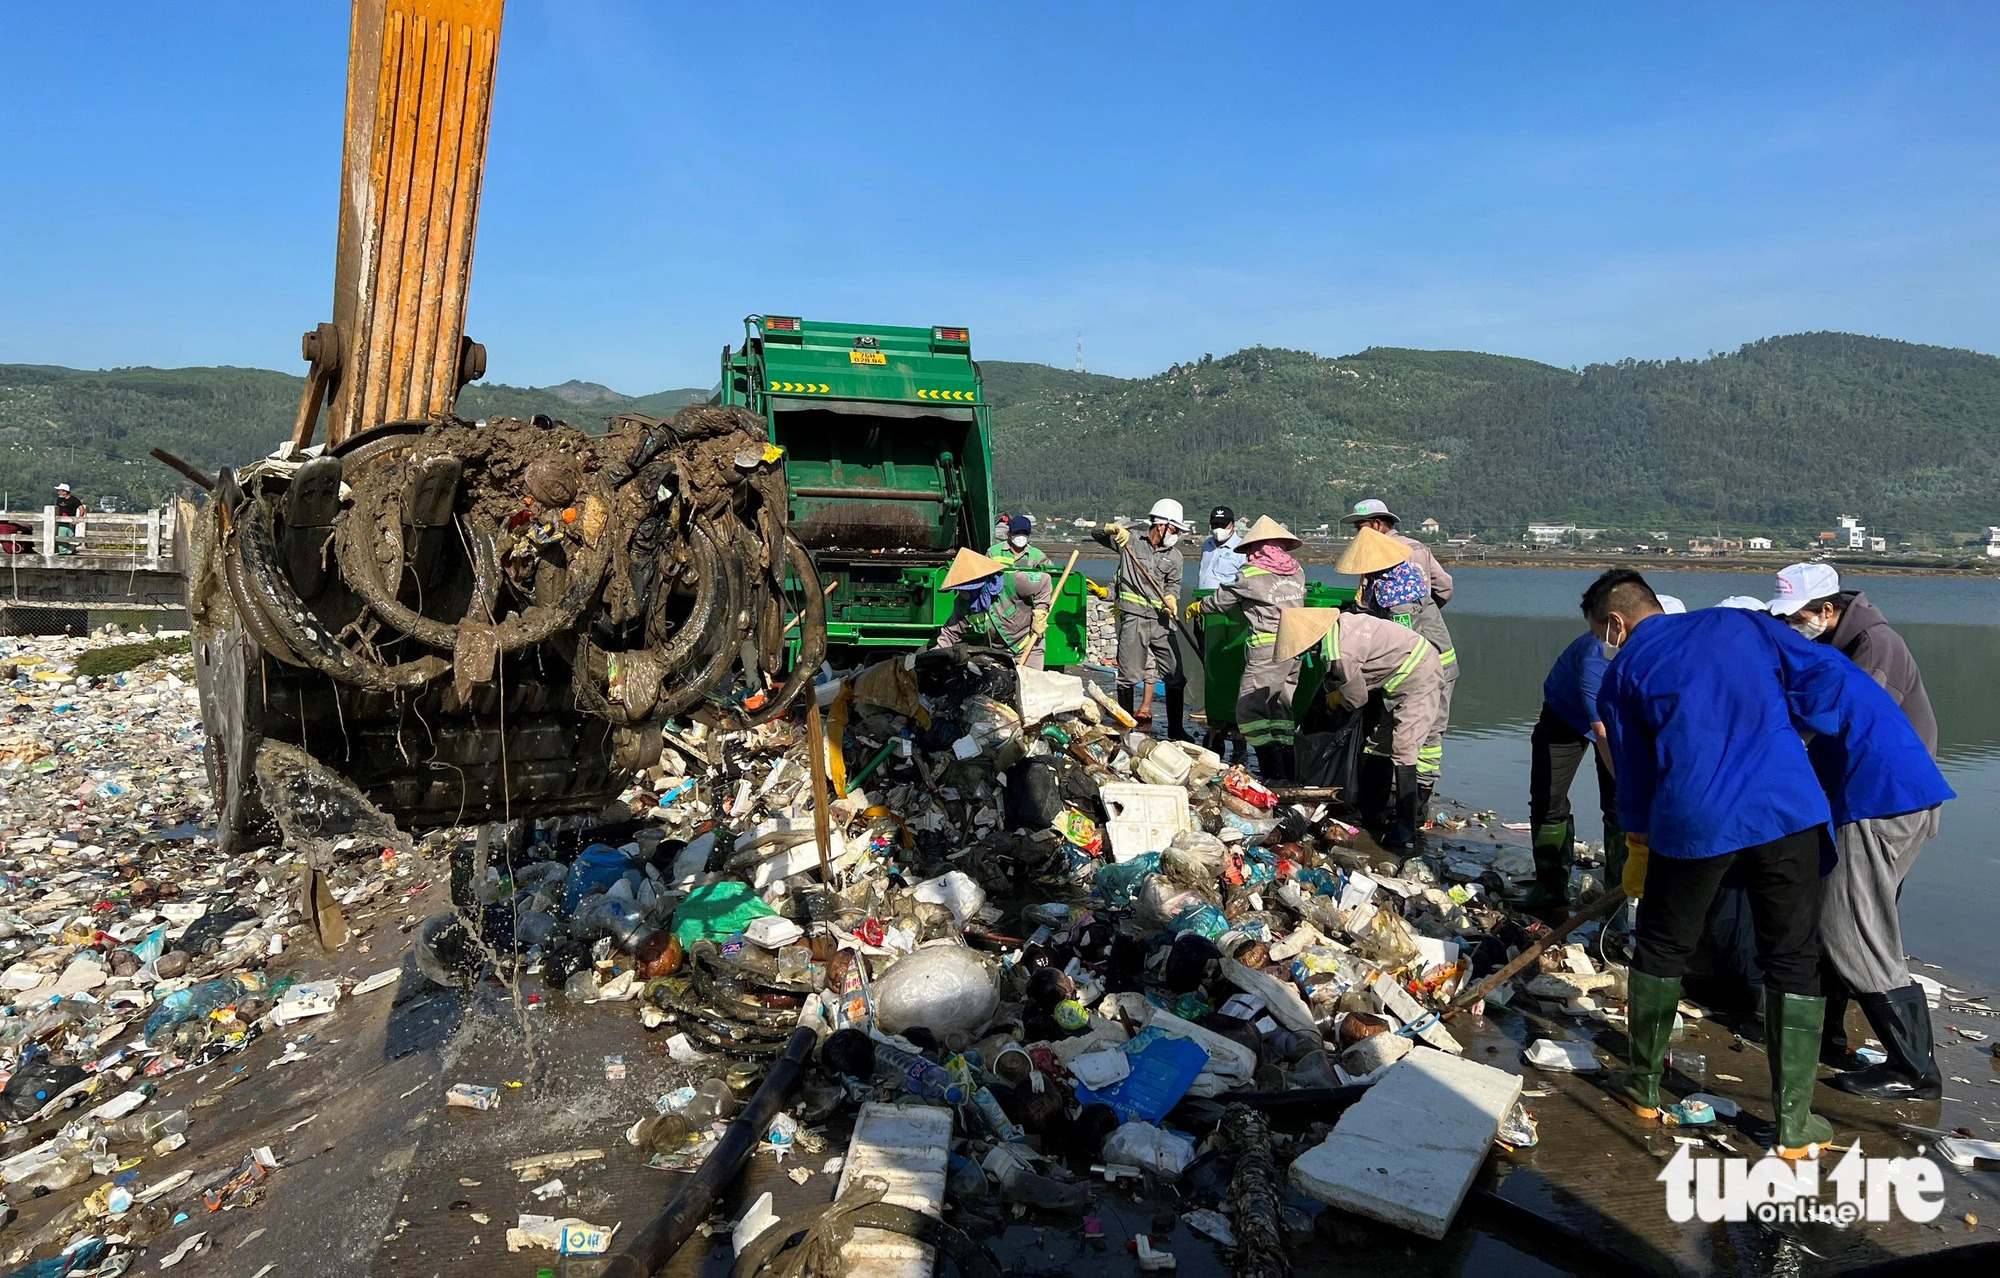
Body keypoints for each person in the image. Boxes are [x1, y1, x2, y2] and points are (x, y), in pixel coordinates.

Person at [1591, 568, 1842, 1158]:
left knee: (1662, 945)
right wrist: (1795, 731)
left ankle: (1644, 1087)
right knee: (1792, 955)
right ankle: (1793, 1125)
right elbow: (1826, 674)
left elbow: (1634, 772)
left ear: (1615, 622)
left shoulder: (1624, 669)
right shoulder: (1745, 624)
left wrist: (1638, 838)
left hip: (1696, 818)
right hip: (1788, 809)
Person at [1766, 563, 1948, 1098]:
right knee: (1839, 912)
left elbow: (1848, 715)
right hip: (1868, 797)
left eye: (1796, 616)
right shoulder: (1841, 643)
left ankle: (1915, 1069)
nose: (1791, 626)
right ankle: (1829, 1035)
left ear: (1827, 610)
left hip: (1884, 799)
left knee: (1855, 923)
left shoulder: (1876, 644)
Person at [1276, 605, 1444, 849]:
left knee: (1404, 746)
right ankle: (1371, 810)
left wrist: (1337, 700)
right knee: (1377, 743)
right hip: (1394, 677)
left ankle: (1407, 824)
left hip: (1419, 674)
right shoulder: (1340, 626)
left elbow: (1356, 699)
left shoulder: (1343, 653)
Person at [1341, 501, 1456, 796]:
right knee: (1405, 730)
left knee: (1422, 734)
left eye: (1361, 527)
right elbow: (1444, 588)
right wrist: (1428, 608)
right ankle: (1396, 797)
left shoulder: (1391, 584)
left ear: (1379, 524)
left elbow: (1398, 632)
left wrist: (1416, 617)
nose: (1358, 534)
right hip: (1416, 658)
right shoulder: (1415, 550)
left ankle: (1413, 805)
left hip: (1427, 664)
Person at [1190, 517, 1305, 780]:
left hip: (1268, 652)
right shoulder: (1297, 572)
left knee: (1249, 711)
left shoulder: (1251, 574)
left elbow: (1221, 600)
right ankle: (1288, 773)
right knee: (1280, 711)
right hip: (1296, 649)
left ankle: (1272, 774)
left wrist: (1198, 606)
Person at [1524, 629, 1620, 919]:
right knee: (1548, 797)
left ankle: (1615, 903)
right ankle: (1550, 890)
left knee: (1622, 809)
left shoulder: (1668, 654)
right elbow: (1601, 731)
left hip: (1621, 720)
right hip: (1566, 713)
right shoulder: (1598, 654)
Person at [1093, 500, 1191, 739]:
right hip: (1134, 619)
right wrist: (1114, 529)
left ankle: (1176, 730)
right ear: (1161, 525)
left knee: (1175, 674)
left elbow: (1174, 584)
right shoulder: (1131, 542)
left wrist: (1171, 598)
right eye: (1175, 529)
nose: (1176, 535)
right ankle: (1125, 727)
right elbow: (1095, 533)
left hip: (1161, 621)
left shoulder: (1175, 556)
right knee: (1128, 674)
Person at [934, 548, 1052, 669]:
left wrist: (1041, 611)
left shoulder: (1012, 581)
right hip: (996, 652)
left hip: (1027, 646)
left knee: (1027, 685)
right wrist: (935, 655)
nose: (964, 594)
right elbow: (950, 633)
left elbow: (1045, 581)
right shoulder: (963, 603)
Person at [1198, 506, 1246, 589]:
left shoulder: (1242, 547)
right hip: (1202, 597)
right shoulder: (1207, 544)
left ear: (1233, 524)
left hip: (1226, 600)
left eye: (1223, 525)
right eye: (1215, 525)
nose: (1219, 528)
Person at [53, 483, 86, 555]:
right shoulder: (59, 500)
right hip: (61, 523)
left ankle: (69, 551)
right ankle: (65, 553)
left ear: (65, 492)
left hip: (70, 523)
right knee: (61, 540)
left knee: (72, 538)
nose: (58, 492)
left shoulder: (74, 500)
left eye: (60, 491)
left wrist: (77, 520)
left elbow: (82, 509)